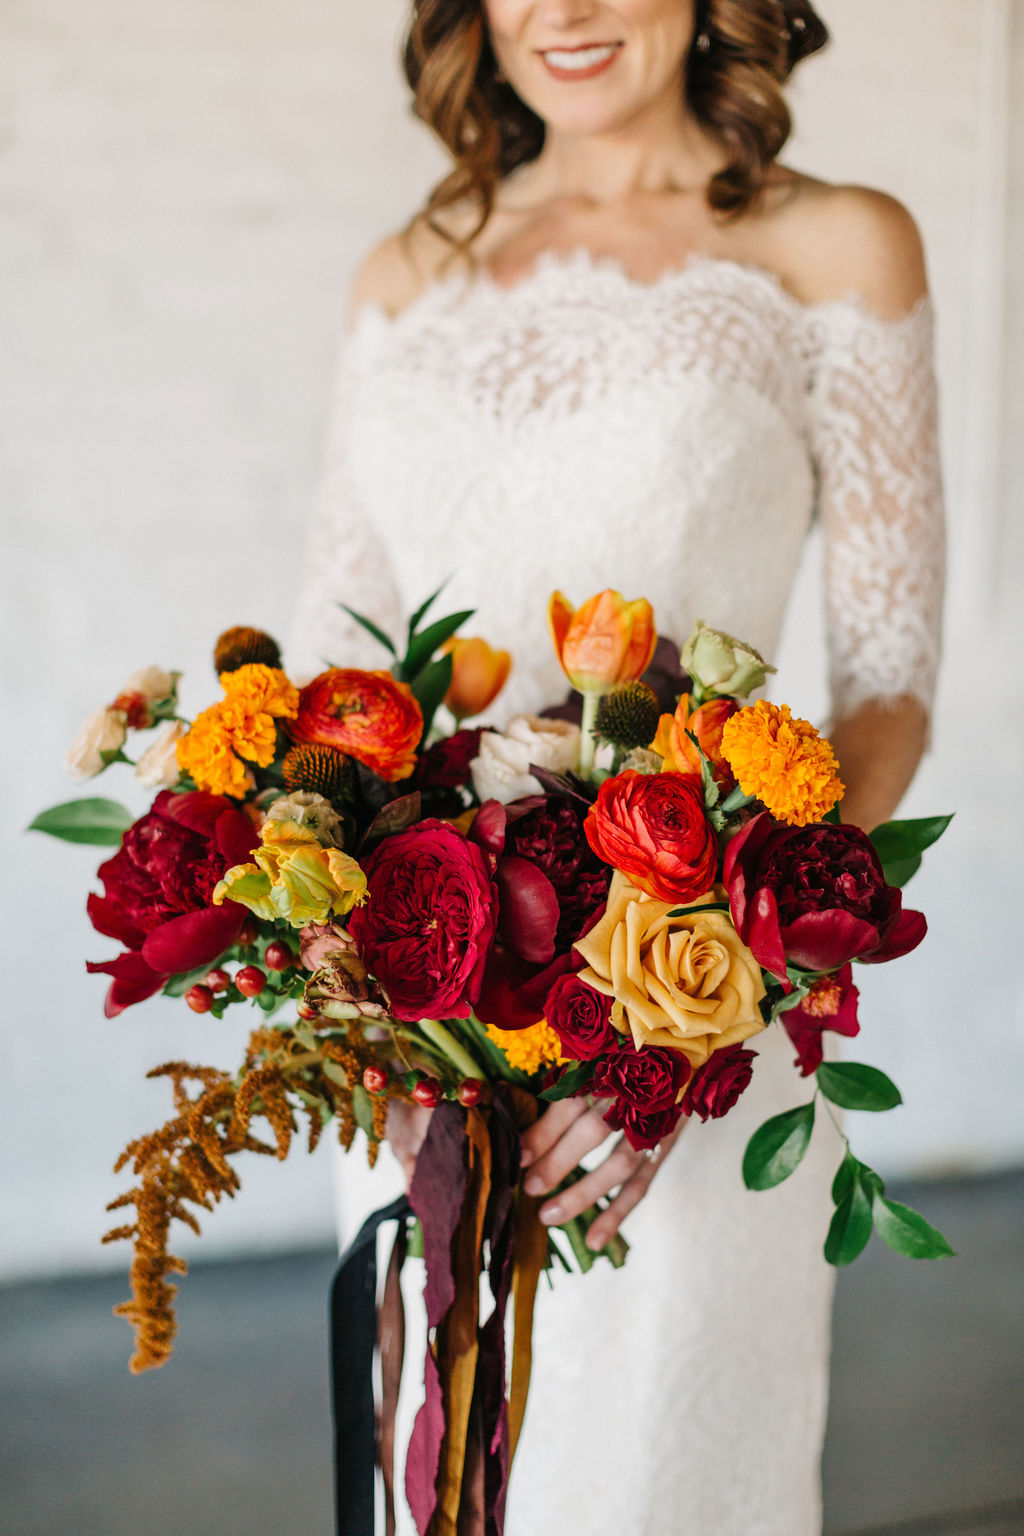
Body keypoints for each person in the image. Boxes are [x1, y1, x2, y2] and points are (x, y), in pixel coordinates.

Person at [287, 1, 946, 1531]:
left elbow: (890, 691)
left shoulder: (837, 248)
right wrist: (354, 997)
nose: (565, 12)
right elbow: (333, 684)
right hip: (427, 1042)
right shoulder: (405, 276)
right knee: (441, 1482)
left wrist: (673, 1016)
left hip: (689, 1043)